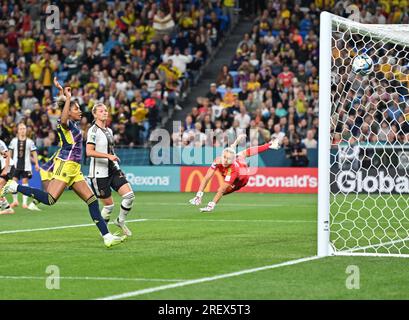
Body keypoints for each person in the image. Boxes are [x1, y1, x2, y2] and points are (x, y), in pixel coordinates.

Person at [1, 78, 125, 248]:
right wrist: (67, 99)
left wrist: (63, 95)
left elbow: (65, 112)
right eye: (76, 109)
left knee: (92, 201)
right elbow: (64, 116)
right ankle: (14, 187)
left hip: (75, 169)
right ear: (69, 111)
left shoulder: (72, 124)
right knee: (50, 199)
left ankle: (107, 236)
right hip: (65, 165)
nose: (80, 111)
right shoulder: (64, 123)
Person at [189, 134, 280, 212]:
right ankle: (269, 145)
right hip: (238, 160)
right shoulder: (218, 160)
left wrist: (211, 205)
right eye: (224, 157)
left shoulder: (233, 171)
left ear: (232, 161)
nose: (225, 160)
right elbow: (206, 178)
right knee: (242, 153)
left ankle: (268, 145)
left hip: (241, 179)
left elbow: (221, 190)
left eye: (228, 159)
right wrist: (199, 195)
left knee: (221, 191)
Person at [86, 102, 134, 236]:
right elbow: (89, 152)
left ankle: (120, 221)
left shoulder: (109, 131)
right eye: (101, 111)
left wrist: (117, 166)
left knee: (129, 196)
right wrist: (108, 156)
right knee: (109, 206)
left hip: (112, 170)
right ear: (94, 114)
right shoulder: (93, 131)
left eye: (106, 111)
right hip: (98, 173)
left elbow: (111, 151)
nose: (104, 113)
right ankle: (105, 233)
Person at [8, 122, 39, 209]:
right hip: (15, 166)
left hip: (26, 166)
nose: (22, 130)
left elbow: (34, 153)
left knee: (25, 182)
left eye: (24, 129)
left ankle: (24, 203)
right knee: (13, 183)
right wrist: (8, 163)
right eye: (21, 129)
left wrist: (36, 164)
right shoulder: (14, 141)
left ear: (26, 130)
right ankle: (15, 201)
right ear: (17, 131)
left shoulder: (30, 141)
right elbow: (10, 152)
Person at [0, 139, 15, 215]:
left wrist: (5, 169)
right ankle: (8, 208)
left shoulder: (0, 143)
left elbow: (7, 154)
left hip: (8, 166)